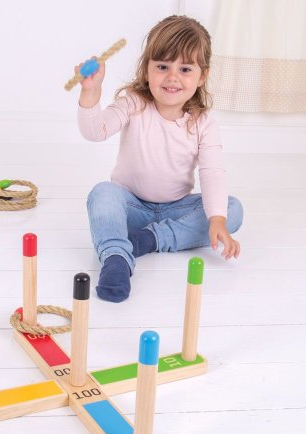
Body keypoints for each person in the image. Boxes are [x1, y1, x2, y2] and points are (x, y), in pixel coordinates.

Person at [76, 15, 243, 303]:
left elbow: (212, 172)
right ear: (147, 69)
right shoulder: (134, 103)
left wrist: (216, 220)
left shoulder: (203, 122)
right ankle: (116, 257)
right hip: (132, 207)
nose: (172, 77)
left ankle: (149, 239)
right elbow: (96, 131)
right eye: (163, 66)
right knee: (102, 193)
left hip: (176, 209)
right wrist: (91, 93)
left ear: (202, 76)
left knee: (232, 209)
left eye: (185, 69)